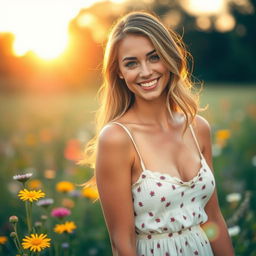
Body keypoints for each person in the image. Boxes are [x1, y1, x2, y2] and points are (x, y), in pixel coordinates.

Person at [83, 11, 234, 256]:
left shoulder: (198, 128)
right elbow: (122, 243)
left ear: (169, 57)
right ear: (119, 72)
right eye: (131, 63)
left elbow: (213, 219)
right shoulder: (117, 138)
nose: (145, 72)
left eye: (154, 57)